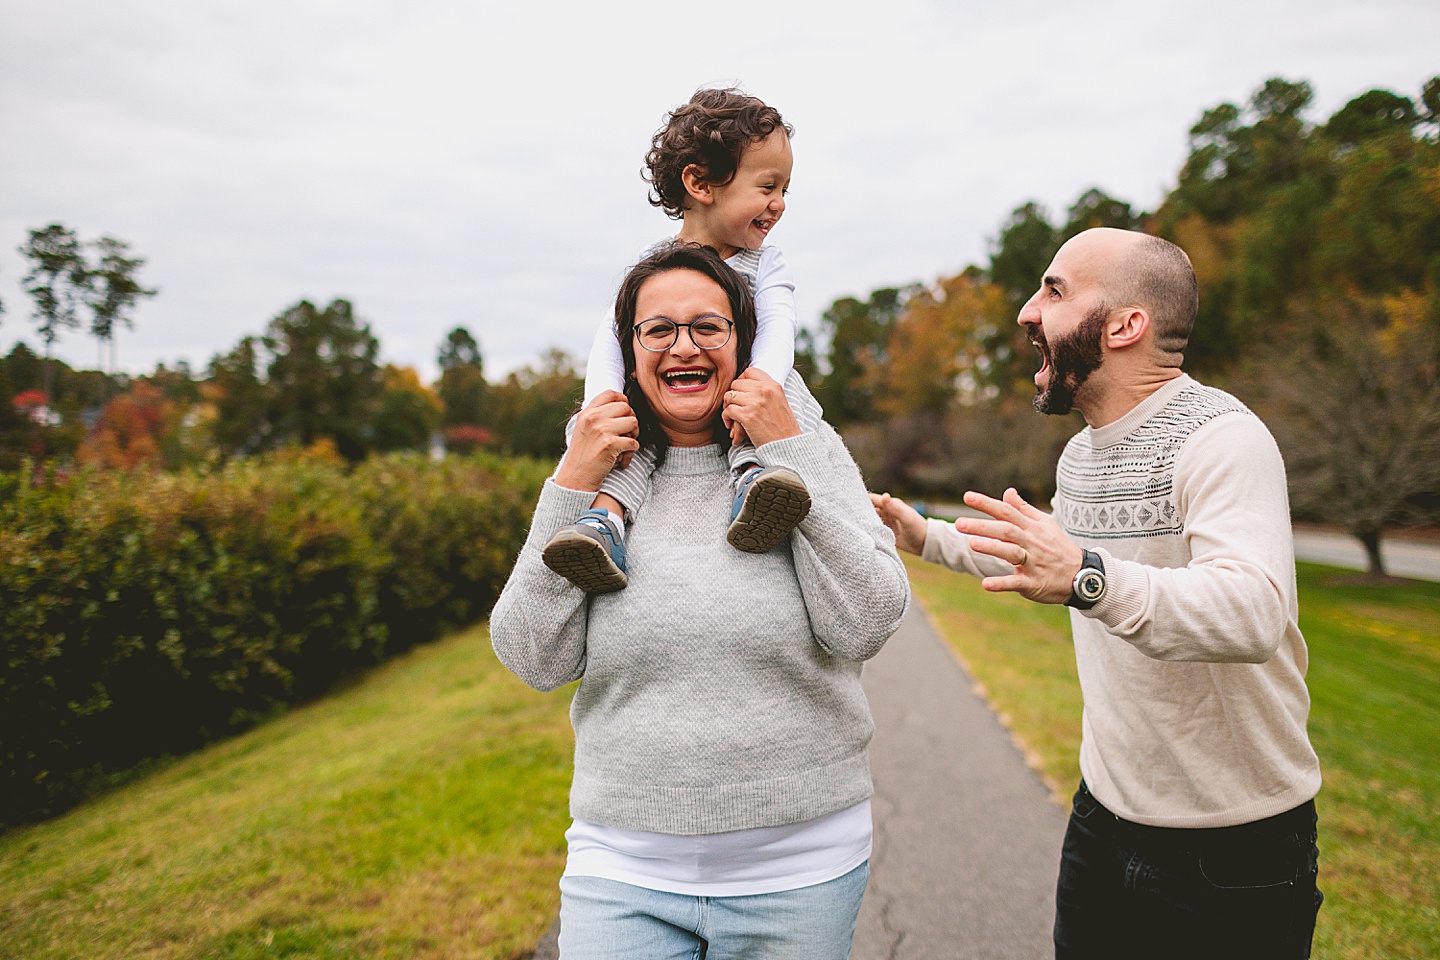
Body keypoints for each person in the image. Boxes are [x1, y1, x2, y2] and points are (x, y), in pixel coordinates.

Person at [873, 228, 1323, 959]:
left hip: (1233, 853)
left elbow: (1253, 612)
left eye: (1053, 291)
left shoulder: (1223, 439)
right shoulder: (1082, 453)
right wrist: (918, 531)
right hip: (1103, 821)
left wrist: (1089, 576)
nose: (1026, 312)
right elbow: (1044, 550)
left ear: (1125, 325)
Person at [492, 243, 909, 958]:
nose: (683, 345)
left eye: (708, 327)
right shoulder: (598, 470)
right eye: (659, 329)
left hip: (799, 869)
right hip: (621, 868)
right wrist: (570, 482)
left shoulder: (802, 444)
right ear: (629, 351)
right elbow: (533, 656)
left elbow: (866, 620)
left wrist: (786, 450)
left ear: (743, 343)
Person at [541, 87, 824, 594]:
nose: (779, 204)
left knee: (753, 427)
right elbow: (610, 337)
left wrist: (760, 380)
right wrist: (600, 402)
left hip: (736, 404)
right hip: (664, 405)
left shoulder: (765, 264)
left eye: (786, 189)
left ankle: (757, 490)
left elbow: (780, 325)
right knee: (632, 449)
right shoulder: (653, 266)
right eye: (767, 187)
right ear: (700, 182)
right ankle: (602, 526)